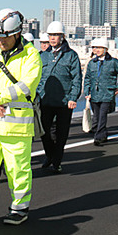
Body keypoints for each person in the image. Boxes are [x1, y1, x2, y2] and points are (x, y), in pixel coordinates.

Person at [0, 9, 42, 225]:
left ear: (16, 34)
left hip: (17, 126)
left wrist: (0, 98)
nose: (0, 41)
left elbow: (27, 84)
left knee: (18, 169)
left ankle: (19, 208)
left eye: (4, 38)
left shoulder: (31, 55)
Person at [37, 20, 82, 173]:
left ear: (62, 36)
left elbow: (77, 78)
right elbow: (36, 77)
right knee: (44, 132)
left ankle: (57, 161)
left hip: (64, 102)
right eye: (50, 35)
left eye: (56, 35)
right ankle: (50, 155)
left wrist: (73, 97)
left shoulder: (71, 56)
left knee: (61, 134)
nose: (52, 38)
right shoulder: (42, 56)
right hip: (45, 100)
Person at [83, 38, 118, 146]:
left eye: (99, 48)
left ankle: (98, 137)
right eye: (94, 48)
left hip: (107, 93)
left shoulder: (113, 62)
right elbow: (87, 78)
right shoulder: (92, 63)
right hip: (94, 94)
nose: (96, 50)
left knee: (102, 115)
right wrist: (87, 92)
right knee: (96, 115)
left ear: (105, 49)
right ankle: (102, 133)